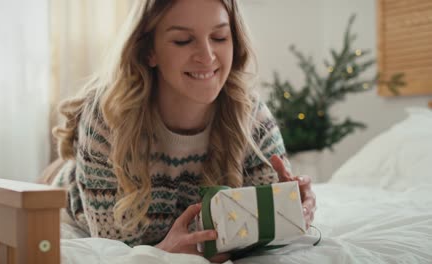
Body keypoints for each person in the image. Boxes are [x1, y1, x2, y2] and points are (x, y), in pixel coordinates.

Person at [49, 0, 316, 262]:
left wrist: (289, 210)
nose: (207, 56)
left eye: (220, 37)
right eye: (183, 41)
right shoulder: (107, 119)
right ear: (148, 51)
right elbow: (114, 247)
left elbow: (260, 228)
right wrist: (162, 252)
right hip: (61, 195)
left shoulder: (252, 116)